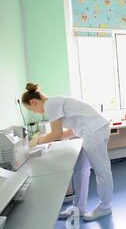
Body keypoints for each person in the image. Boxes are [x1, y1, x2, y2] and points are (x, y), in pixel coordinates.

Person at [22, 83, 113, 221]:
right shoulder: (55, 103)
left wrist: (38, 141)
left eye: (31, 109)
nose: (35, 112)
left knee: (102, 170)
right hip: (90, 131)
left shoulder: (50, 104)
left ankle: (105, 207)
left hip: (94, 131)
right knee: (80, 170)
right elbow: (70, 131)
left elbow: (56, 133)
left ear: (33, 102)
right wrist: (43, 139)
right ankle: (78, 208)